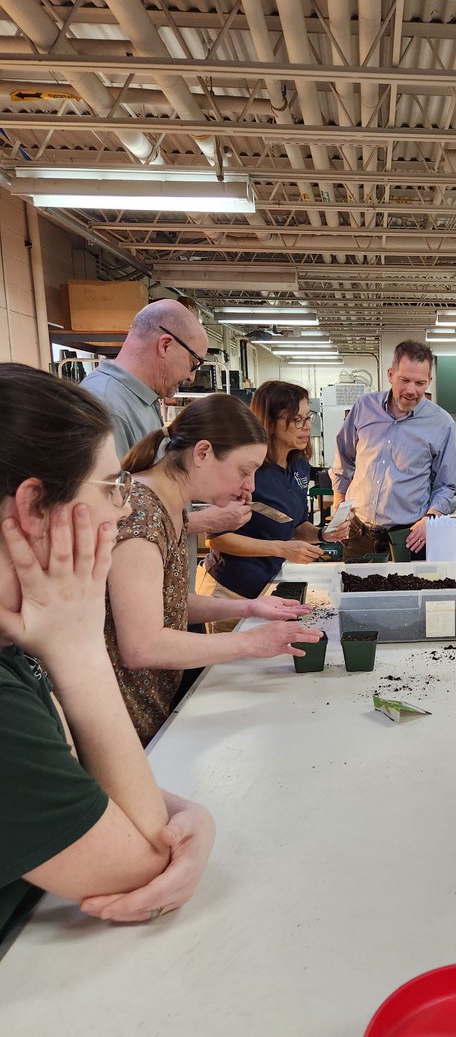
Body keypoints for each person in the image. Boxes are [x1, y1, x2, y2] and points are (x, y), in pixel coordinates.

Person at [0, 363, 215, 940]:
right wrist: (80, 652)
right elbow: (141, 865)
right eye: (112, 486)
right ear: (33, 508)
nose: (123, 509)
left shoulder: (17, 643)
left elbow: (72, 779)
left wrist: (193, 816)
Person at [105, 393, 323, 745]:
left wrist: (248, 608)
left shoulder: (169, 507)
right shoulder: (141, 513)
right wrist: (247, 642)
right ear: (203, 453)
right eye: (244, 471)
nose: (250, 486)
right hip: (123, 725)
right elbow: (142, 646)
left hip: (152, 707)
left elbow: (172, 602)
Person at [81, 299, 251, 540]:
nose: (192, 377)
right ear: (166, 345)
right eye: (194, 363)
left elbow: (151, 487)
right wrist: (202, 520)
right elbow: (109, 520)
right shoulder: (106, 404)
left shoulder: (141, 399)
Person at [199, 380, 351, 627]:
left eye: (307, 417)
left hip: (268, 586)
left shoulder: (298, 465)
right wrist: (281, 549)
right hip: (231, 590)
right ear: (270, 422)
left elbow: (296, 525)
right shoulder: (249, 469)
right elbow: (217, 538)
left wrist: (324, 534)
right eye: (296, 419)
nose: (306, 426)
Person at [330, 341, 456, 558]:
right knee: (354, 591)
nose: (411, 390)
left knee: (408, 592)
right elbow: (343, 458)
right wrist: (338, 504)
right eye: (405, 380)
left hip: (407, 538)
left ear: (429, 381)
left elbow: (446, 485)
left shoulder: (441, 423)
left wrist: (431, 518)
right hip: (357, 532)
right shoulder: (364, 407)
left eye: (420, 383)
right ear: (390, 374)